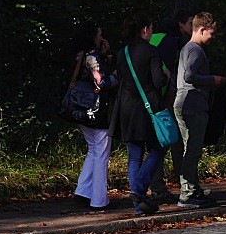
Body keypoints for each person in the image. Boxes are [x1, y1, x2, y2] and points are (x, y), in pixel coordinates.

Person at [110, 12, 168, 216]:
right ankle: (139, 189)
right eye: (151, 29)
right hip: (148, 108)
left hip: (126, 108)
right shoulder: (151, 51)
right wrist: (166, 75)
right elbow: (158, 81)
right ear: (145, 29)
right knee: (157, 150)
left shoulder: (122, 52)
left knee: (134, 156)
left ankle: (139, 206)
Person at [174, 11, 226, 208]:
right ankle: (187, 194)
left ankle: (192, 190)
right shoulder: (195, 50)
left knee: (191, 149)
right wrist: (211, 80)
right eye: (211, 33)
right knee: (192, 151)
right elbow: (190, 76)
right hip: (192, 105)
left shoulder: (186, 48)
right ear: (202, 29)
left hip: (185, 103)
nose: (212, 37)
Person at [70, 22, 116, 210]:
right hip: (97, 111)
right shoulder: (92, 57)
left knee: (93, 149)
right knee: (102, 152)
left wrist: (104, 55)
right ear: (92, 37)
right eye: (99, 35)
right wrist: (116, 75)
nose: (101, 38)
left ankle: (83, 191)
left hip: (81, 109)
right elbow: (101, 82)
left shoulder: (80, 56)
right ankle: (99, 200)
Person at [148, 10, 192, 204]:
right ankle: (183, 186)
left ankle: (159, 186)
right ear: (181, 24)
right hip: (164, 100)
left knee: (156, 145)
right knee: (170, 142)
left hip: (146, 99)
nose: (192, 28)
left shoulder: (154, 38)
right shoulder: (173, 42)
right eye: (190, 23)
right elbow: (166, 73)